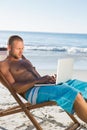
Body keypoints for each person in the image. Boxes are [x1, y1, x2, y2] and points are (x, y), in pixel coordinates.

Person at [0, 35, 87, 123]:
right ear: (9, 47)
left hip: (43, 84)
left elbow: (33, 75)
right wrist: (38, 81)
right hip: (33, 92)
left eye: (22, 48)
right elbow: (16, 88)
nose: (21, 51)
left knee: (82, 86)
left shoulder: (22, 58)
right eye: (18, 48)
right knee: (71, 93)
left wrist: (48, 79)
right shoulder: (5, 64)